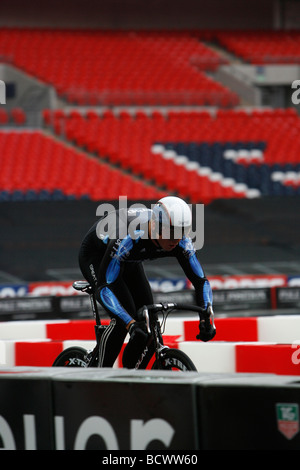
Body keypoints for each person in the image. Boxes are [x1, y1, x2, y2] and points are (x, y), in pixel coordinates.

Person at [78, 196, 215, 369]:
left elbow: (201, 281)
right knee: (123, 320)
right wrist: (130, 324)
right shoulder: (129, 237)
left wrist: (207, 315)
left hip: (129, 259)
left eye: (182, 231)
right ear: (157, 227)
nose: (176, 240)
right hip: (96, 255)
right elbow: (104, 289)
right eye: (171, 232)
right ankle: (97, 375)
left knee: (149, 324)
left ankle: (132, 374)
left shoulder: (181, 241)